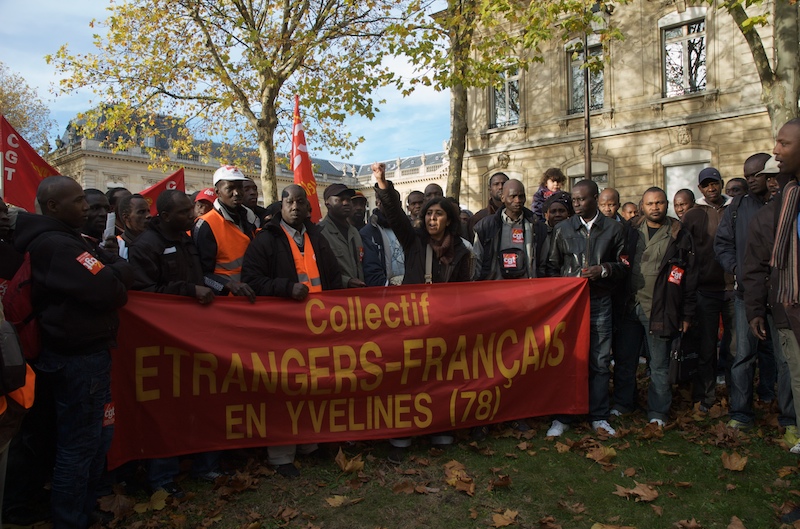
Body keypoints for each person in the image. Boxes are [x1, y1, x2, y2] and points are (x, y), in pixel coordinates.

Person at [14, 176, 133, 529]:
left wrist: (113, 269)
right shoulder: (58, 246)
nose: (86, 207)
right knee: (79, 446)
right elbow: (107, 289)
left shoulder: (66, 241)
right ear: (53, 206)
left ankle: (79, 510)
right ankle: (69, 518)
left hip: (81, 353)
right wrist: (118, 271)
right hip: (77, 357)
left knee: (92, 440)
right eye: (79, 201)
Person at [241, 185, 342, 477]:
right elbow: (252, 280)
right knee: (283, 390)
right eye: (289, 201)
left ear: (308, 209)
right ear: (281, 206)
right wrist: (285, 288)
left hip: (317, 328)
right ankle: (281, 454)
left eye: (300, 201)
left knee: (313, 387)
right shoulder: (266, 241)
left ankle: (308, 443)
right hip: (281, 330)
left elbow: (333, 279)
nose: (295, 206)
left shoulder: (318, 238)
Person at [373, 163, 470, 461]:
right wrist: (383, 184)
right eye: (428, 213)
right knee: (409, 379)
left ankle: (440, 430)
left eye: (438, 214)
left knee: (441, 379)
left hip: (445, 325)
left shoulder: (463, 251)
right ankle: (401, 437)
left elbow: (467, 292)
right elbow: (396, 216)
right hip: (413, 325)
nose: (431, 218)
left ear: (449, 220)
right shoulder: (413, 241)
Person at [128, 189, 218, 496]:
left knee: (202, 400)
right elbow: (145, 293)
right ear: (165, 216)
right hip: (162, 341)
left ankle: (205, 466)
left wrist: (224, 284)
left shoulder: (186, 238)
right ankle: (162, 480)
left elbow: (202, 276)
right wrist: (188, 291)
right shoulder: (146, 246)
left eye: (190, 210)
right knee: (165, 410)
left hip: (195, 334)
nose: (191, 216)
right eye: (183, 212)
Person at [716, 154, 793, 432]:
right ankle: (741, 413)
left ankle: (789, 417)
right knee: (742, 354)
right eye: (746, 175)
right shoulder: (737, 207)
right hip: (745, 294)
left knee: (786, 358)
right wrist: (737, 268)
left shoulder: (786, 203)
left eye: (756, 175)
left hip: (781, 294)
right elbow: (722, 243)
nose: (750, 180)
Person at [545, 179, 626, 437]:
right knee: (568, 359)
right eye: (574, 200)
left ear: (595, 198)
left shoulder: (614, 229)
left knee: (600, 361)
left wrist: (604, 270)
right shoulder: (563, 229)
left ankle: (599, 416)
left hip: (600, 301)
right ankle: (563, 415)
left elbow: (625, 265)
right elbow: (551, 267)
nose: (577, 204)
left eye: (582, 199)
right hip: (571, 305)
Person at [613, 187, 696, 427]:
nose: (655, 207)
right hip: (630, 306)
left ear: (666, 204)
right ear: (642, 206)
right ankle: (622, 404)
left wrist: (687, 313)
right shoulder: (629, 231)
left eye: (659, 203)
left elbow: (689, 277)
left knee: (659, 365)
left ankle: (658, 411)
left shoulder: (679, 234)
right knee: (625, 360)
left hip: (661, 309)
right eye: (650, 203)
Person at [742, 162, 800, 450]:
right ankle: (792, 422)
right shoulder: (764, 217)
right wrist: (754, 310)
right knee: (790, 365)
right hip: (785, 305)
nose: (775, 183)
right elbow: (753, 268)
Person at [680, 168, 735, 412]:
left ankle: (737, 398)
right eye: (706, 185)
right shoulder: (692, 215)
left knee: (735, 348)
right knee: (706, 347)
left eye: (715, 184)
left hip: (734, 289)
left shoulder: (735, 209)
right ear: (700, 189)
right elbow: (683, 250)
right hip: (705, 290)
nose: (712, 188)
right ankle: (705, 397)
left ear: (721, 184)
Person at [193, 166, 258, 301]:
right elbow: (199, 274)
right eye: (230, 188)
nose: (237, 193)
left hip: (251, 296)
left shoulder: (250, 219)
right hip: (224, 301)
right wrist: (227, 285)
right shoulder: (206, 225)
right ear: (217, 192)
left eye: (240, 188)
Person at [473, 179, 547, 281]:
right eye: (513, 196)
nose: (518, 200)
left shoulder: (537, 227)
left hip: (527, 288)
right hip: (495, 289)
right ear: (502, 198)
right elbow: (477, 263)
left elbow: (543, 263)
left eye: (521, 196)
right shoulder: (486, 227)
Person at [318, 184, 366, 288]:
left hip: (359, 296)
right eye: (340, 199)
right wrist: (347, 282)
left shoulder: (354, 232)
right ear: (327, 203)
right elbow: (321, 269)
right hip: (336, 297)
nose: (346, 203)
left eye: (348, 200)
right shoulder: (320, 233)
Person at [360, 188, 406, 287]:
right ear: (378, 203)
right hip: (387, 293)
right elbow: (371, 268)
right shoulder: (368, 232)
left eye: (393, 202)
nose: (391, 205)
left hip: (411, 288)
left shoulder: (407, 228)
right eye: (387, 202)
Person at [467, 172, 509, 242]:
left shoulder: (521, 216)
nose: (500, 187)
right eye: (496, 184)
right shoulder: (478, 218)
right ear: (490, 189)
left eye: (503, 184)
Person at [116, 193, 151, 260]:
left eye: (148, 211)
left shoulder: (155, 243)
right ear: (126, 217)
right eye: (141, 212)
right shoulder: (117, 247)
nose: (148, 215)